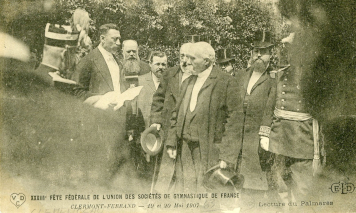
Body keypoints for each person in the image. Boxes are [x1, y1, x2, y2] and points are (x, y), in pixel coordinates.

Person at [163, 42, 240, 193]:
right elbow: (176, 114)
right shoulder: (187, 82)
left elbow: (234, 121)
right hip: (184, 146)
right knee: (185, 189)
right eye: (186, 57)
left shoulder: (226, 82)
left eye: (192, 58)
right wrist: (172, 141)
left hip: (209, 149)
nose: (187, 61)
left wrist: (227, 156)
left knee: (206, 193)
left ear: (206, 61)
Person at [260, 29, 322, 209]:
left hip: (302, 141)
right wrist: (264, 134)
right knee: (279, 190)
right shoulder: (280, 74)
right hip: (279, 140)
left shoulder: (318, 78)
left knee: (302, 193)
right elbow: (270, 106)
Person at [234, 30, 277, 211]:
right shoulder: (241, 75)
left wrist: (264, 135)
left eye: (264, 51)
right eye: (256, 51)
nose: (259, 55)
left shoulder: (273, 80)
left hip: (256, 145)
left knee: (254, 193)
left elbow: (270, 111)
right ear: (251, 53)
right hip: (237, 143)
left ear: (271, 54)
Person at [151, 43, 193, 192]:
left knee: (185, 174)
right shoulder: (170, 74)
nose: (185, 60)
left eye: (189, 56)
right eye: (182, 56)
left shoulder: (198, 77)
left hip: (188, 132)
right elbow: (158, 99)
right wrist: (156, 121)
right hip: (169, 129)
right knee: (166, 172)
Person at [71, 23, 126, 102]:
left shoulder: (118, 62)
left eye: (119, 39)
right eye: (115, 39)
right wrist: (101, 98)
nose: (118, 43)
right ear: (102, 39)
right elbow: (77, 91)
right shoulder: (88, 60)